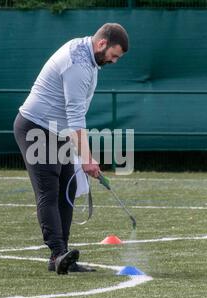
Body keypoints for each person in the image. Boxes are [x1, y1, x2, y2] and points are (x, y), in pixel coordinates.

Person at [13, 23, 129, 275]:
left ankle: (63, 256)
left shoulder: (89, 57)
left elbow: (75, 116)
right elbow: (75, 115)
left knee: (68, 187)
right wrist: (87, 158)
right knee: (50, 190)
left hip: (59, 131)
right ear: (102, 44)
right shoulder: (77, 63)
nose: (114, 61)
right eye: (114, 55)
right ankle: (57, 253)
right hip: (36, 127)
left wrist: (82, 152)